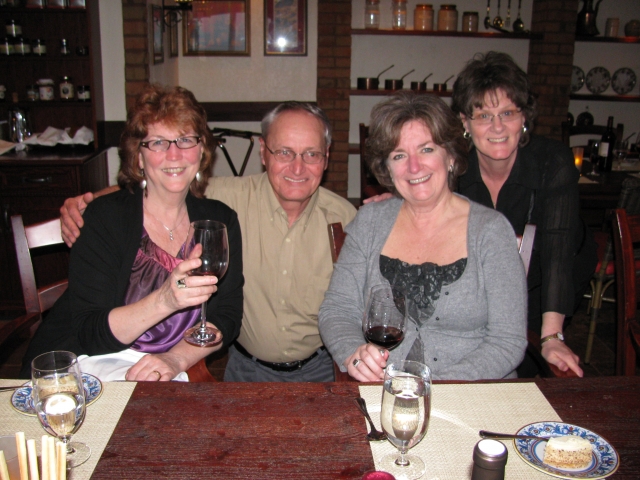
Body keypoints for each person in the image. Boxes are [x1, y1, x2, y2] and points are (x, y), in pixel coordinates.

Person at [59, 101, 357, 382]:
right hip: (246, 371)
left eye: (311, 154)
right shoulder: (230, 198)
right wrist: (86, 203)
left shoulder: (346, 218)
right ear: (263, 153)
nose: (297, 167)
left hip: (322, 370)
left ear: (327, 156)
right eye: (284, 152)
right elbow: (166, 181)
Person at [21, 84, 244, 381]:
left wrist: (175, 359)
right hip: (88, 367)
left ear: (201, 151)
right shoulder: (105, 217)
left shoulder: (220, 220)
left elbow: (226, 315)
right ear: (138, 158)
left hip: (169, 368)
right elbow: (90, 334)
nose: (174, 154)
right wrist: (165, 300)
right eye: (158, 143)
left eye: (185, 140)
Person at [318, 92, 528, 381]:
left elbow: (508, 342)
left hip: (471, 396)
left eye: (426, 150)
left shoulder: (490, 231)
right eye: (399, 155)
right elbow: (337, 309)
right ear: (387, 168)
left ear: (451, 156)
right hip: (383, 392)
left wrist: (434, 389)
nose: (414, 167)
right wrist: (353, 353)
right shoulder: (369, 223)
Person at [451, 52, 596, 377]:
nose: (497, 127)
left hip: (546, 278)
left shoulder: (553, 163)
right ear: (464, 122)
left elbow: (558, 254)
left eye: (508, 113)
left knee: (528, 363)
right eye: (483, 116)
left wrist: (552, 336)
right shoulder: (456, 171)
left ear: (524, 117)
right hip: (490, 280)